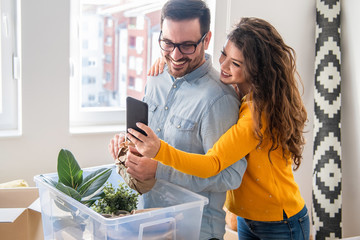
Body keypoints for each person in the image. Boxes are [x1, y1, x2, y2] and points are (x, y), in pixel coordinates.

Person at [126, 17, 310, 240]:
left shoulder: (255, 114)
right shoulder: (239, 93)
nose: (222, 66)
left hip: (280, 221)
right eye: (224, 55)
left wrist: (159, 153)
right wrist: (167, 61)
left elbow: (213, 163)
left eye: (236, 64)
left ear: (256, 70)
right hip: (246, 218)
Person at [108, 0, 247, 239]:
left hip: (196, 231)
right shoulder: (155, 77)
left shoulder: (218, 99)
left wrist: (159, 170)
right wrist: (129, 148)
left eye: (187, 46)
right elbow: (152, 142)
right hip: (148, 223)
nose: (175, 55)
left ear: (206, 39)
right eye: (168, 43)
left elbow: (230, 175)